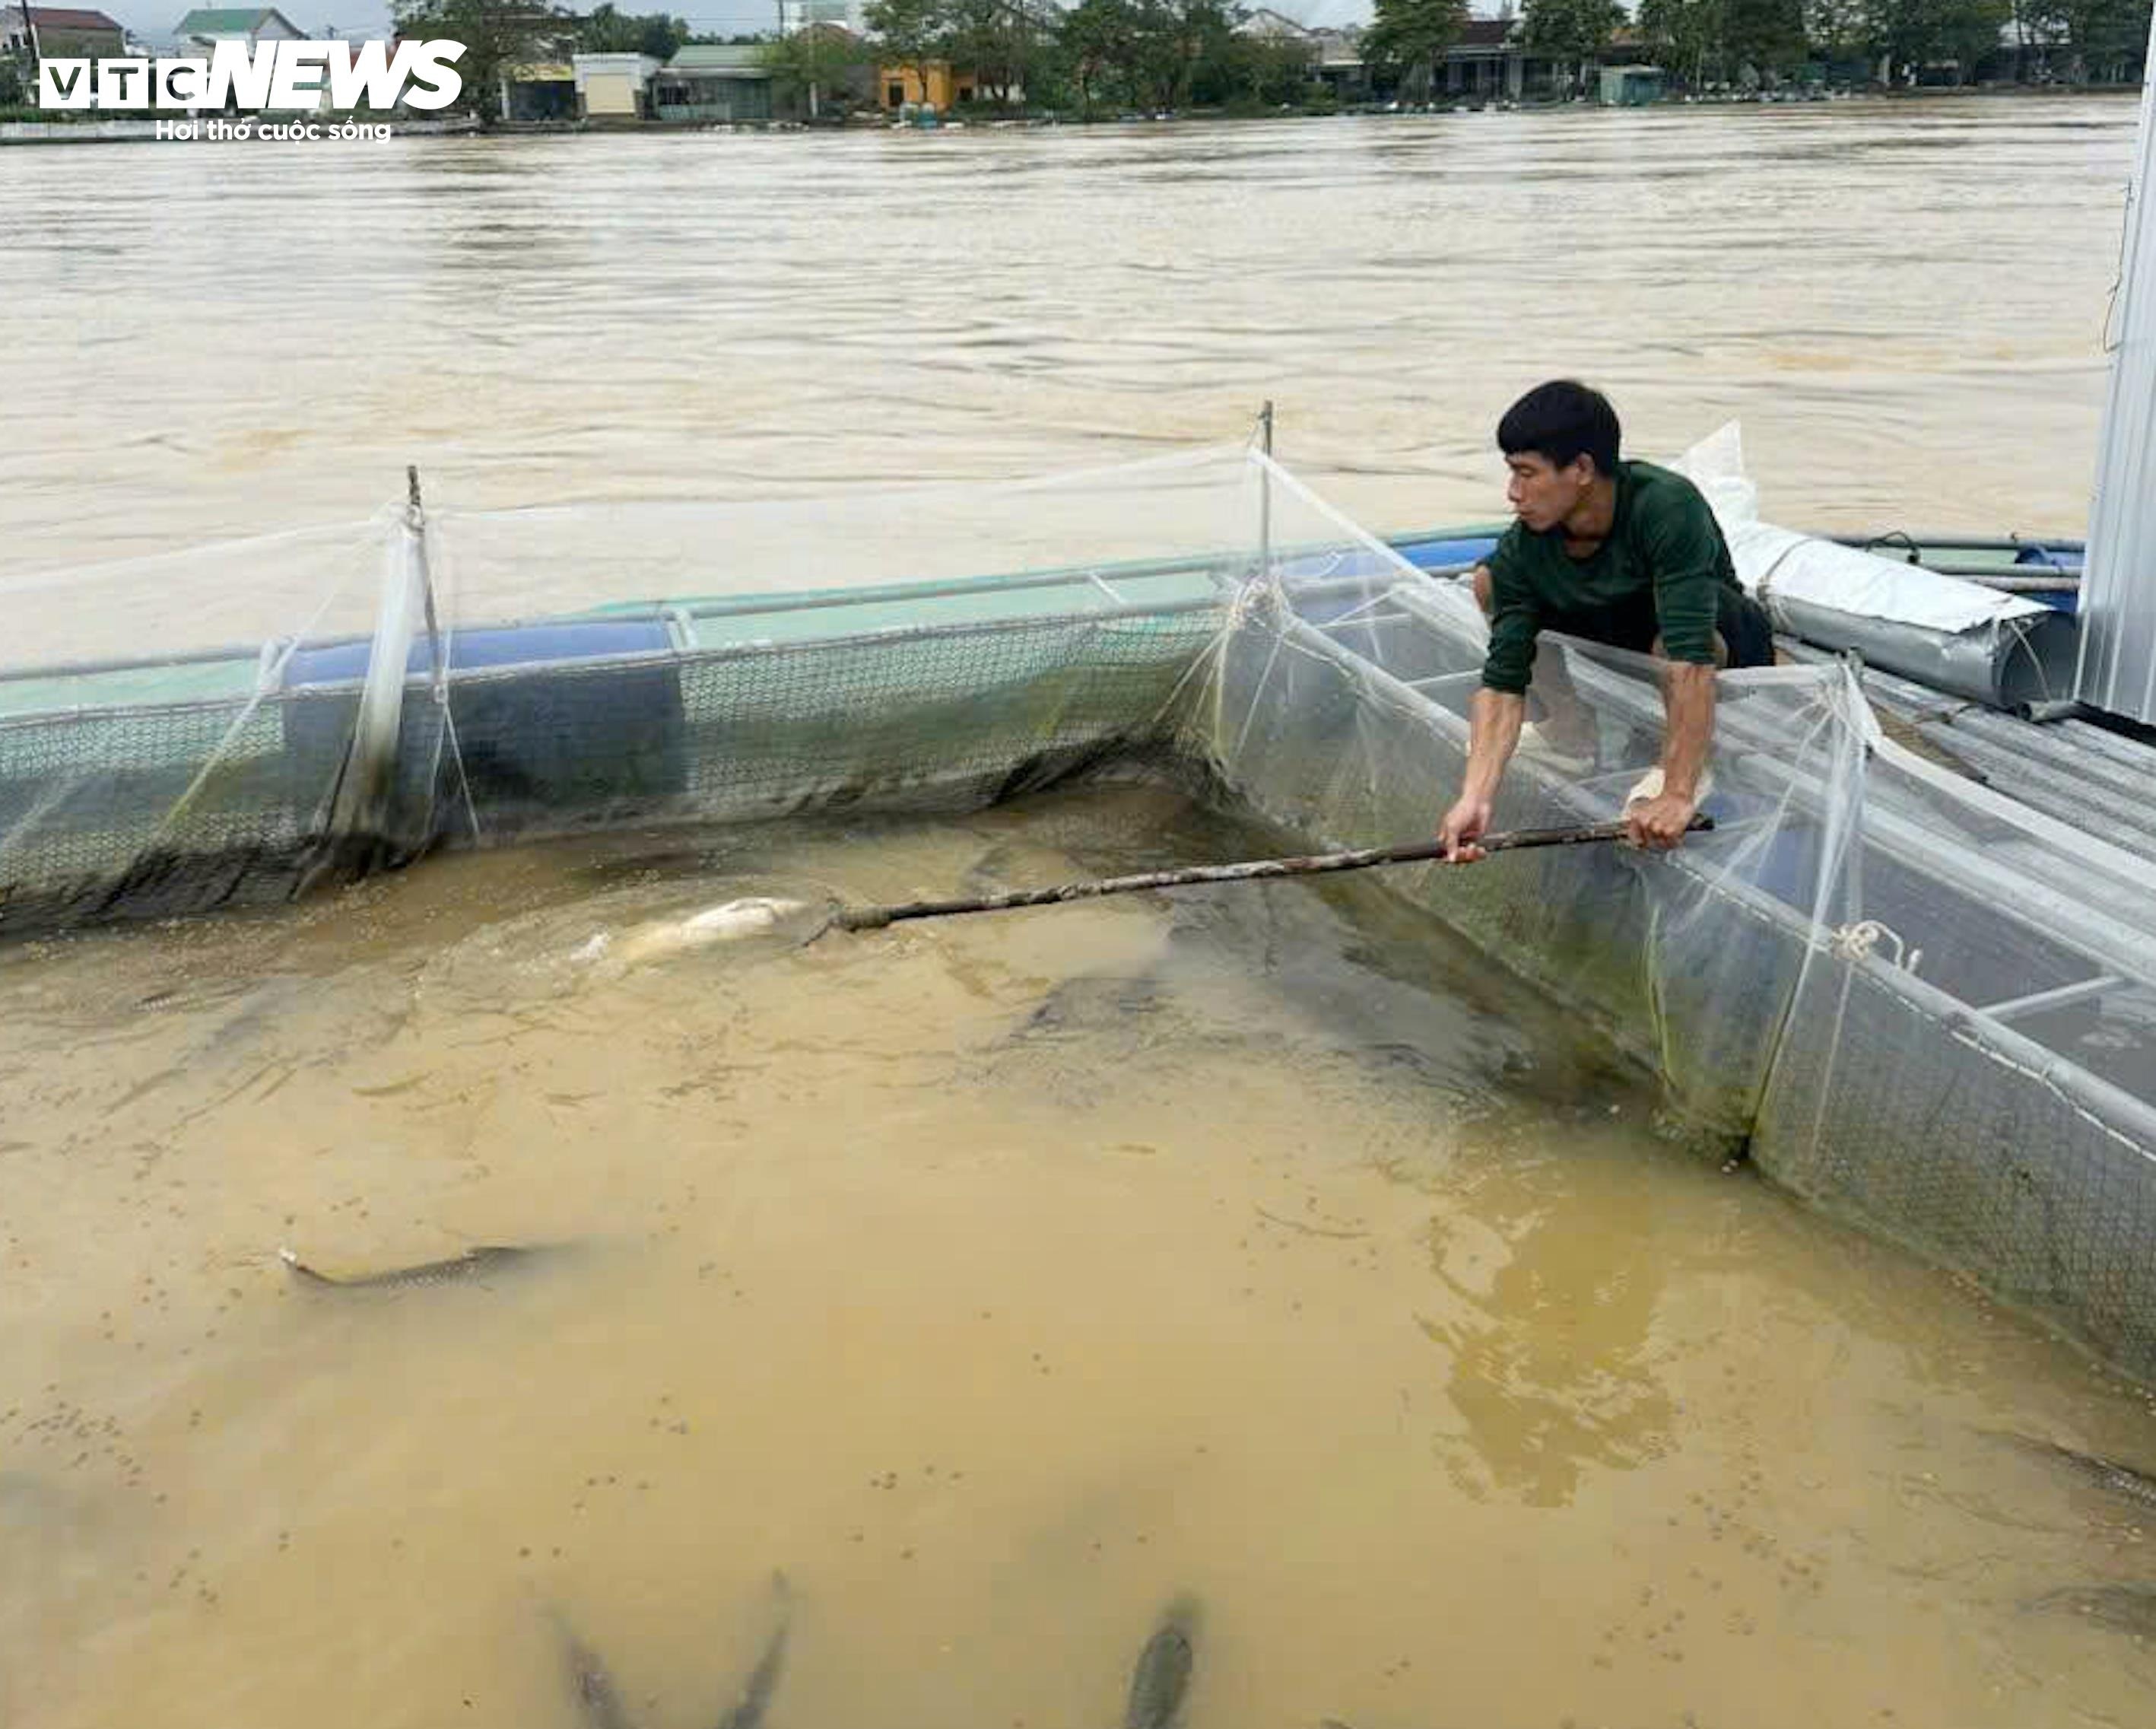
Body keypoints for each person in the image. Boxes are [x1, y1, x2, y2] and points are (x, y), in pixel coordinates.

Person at [1437, 380, 1773, 862]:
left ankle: (1685, 767)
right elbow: (1503, 683)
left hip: (1716, 642)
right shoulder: (1527, 544)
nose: (1513, 493)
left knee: (1674, 639)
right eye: (1512, 473)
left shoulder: (1666, 506)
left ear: (1581, 469)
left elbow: (1690, 661)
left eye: (1527, 473)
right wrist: (1475, 797)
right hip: (1618, 624)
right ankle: (1570, 732)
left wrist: (1676, 793)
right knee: (1489, 581)